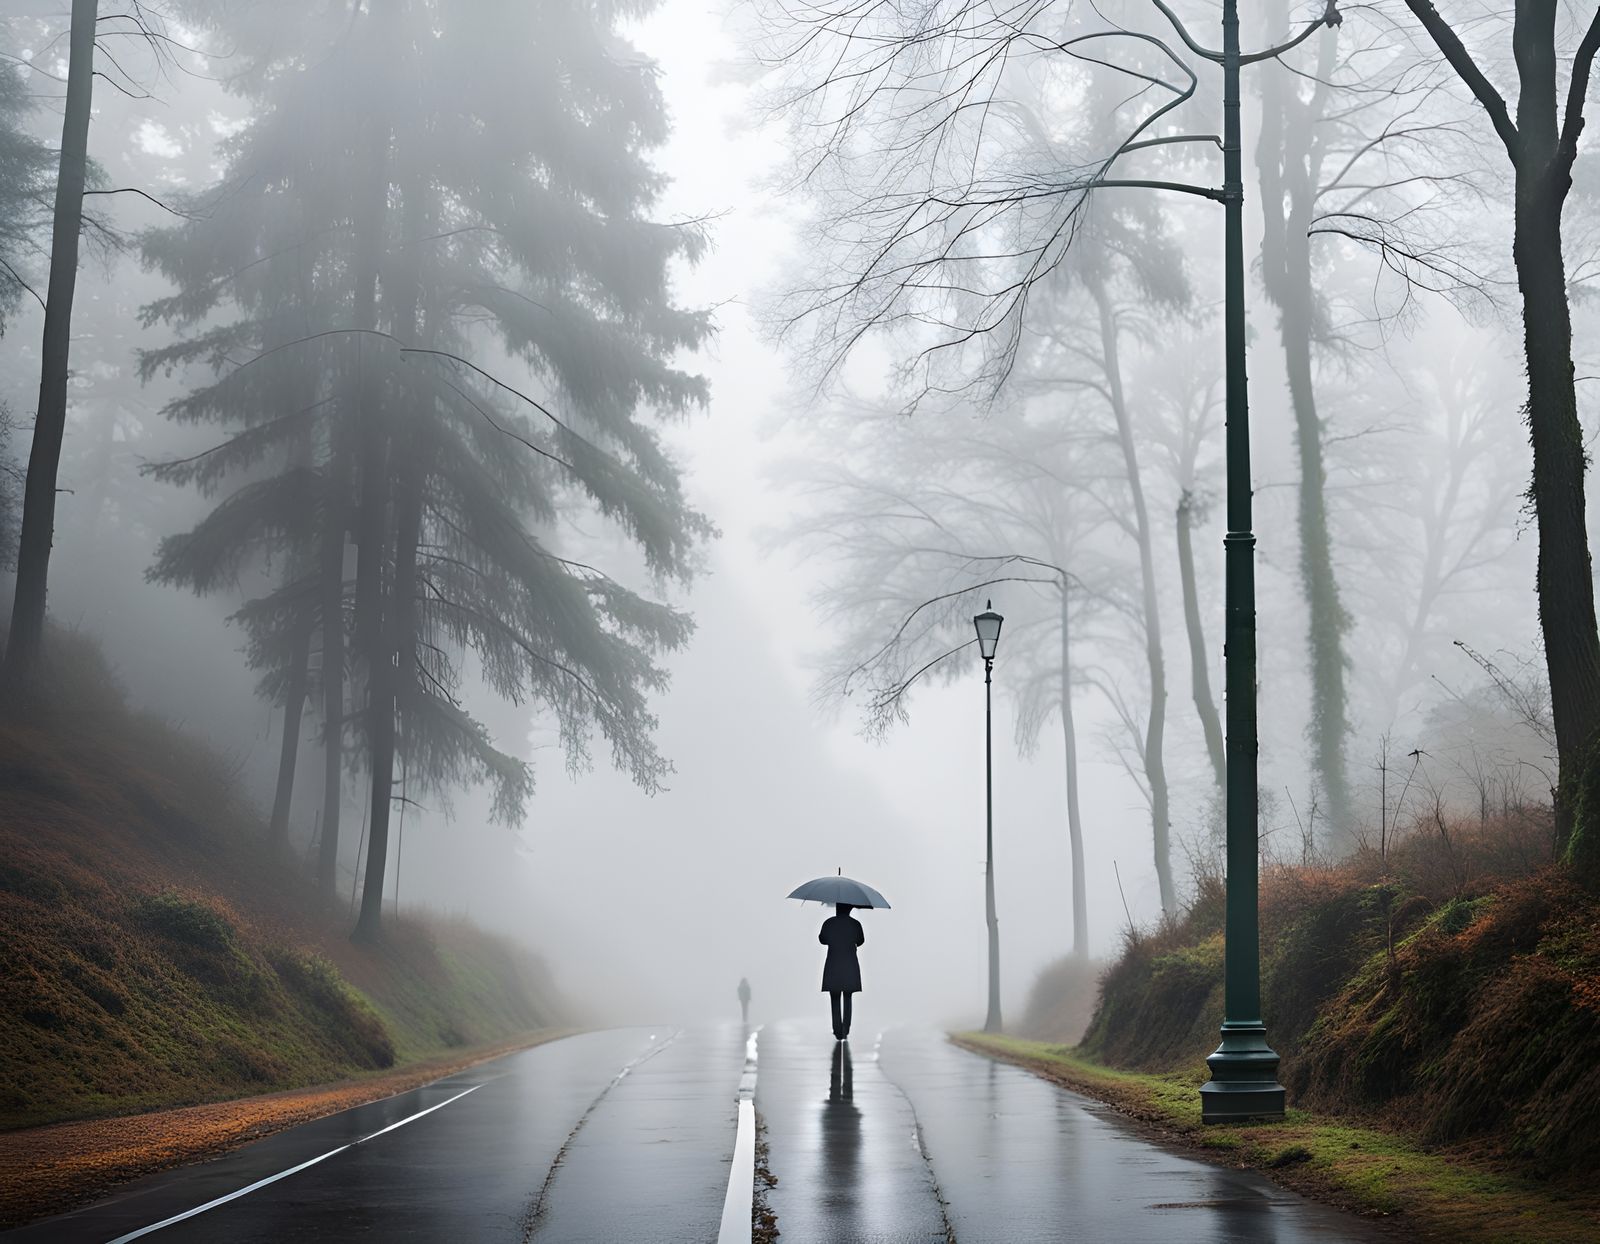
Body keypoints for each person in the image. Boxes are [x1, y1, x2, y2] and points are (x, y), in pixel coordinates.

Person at [819, 903, 865, 1040]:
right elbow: (861, 941)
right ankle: (846, 1028)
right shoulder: (855, 924)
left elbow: (822, 939)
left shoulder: (829, 923)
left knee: (834, 997)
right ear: (849, 909)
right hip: (849, 963)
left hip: (833, 963)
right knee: (848, 996)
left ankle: (837, 1028)